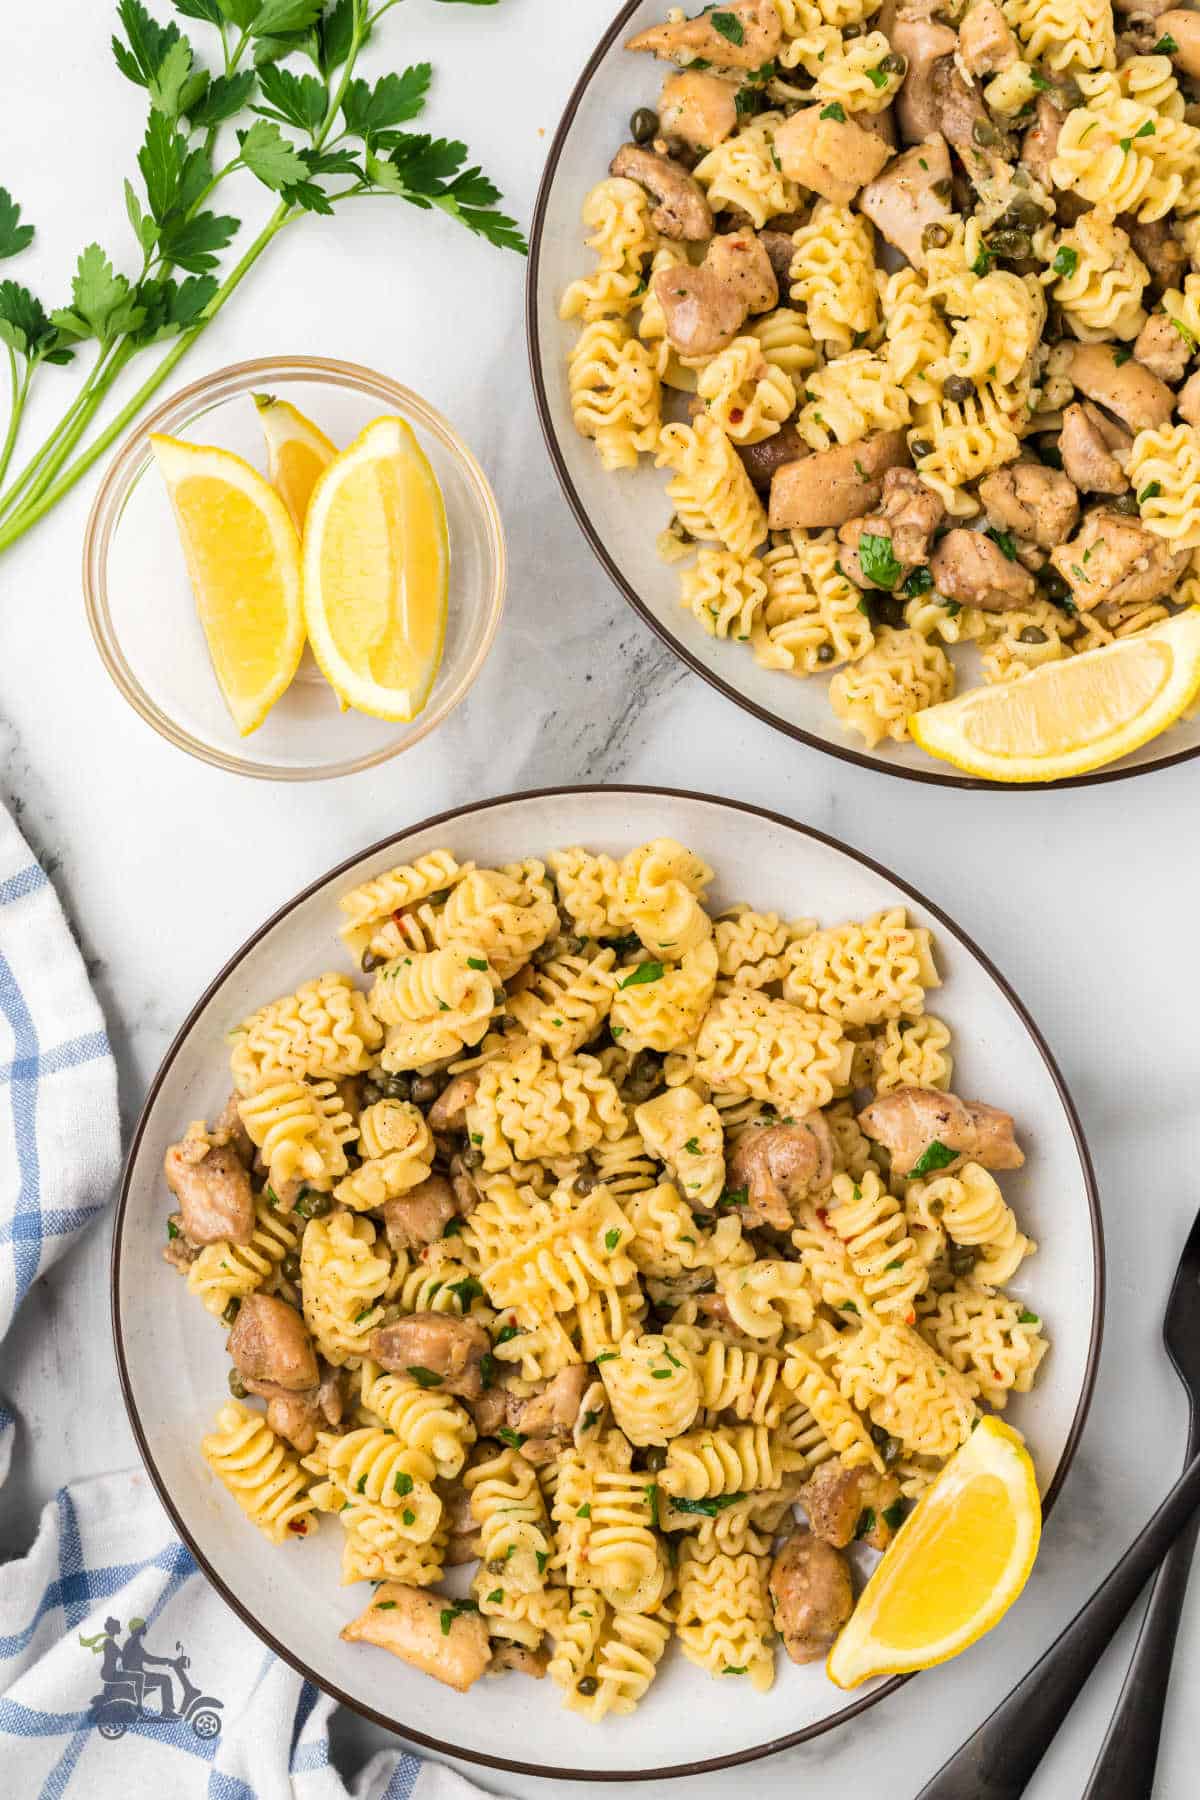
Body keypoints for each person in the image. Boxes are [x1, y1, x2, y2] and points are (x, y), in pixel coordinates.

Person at [117, 1618, 176, 1718]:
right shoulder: (134, 1644)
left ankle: (165, 1710)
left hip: (136, 1674)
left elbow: (146, 1659)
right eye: (143, 1627)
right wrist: (167, 1661)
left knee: (164, 1679)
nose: (145, 1629)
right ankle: (167, 1711)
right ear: (137, 1629)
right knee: (165, 1679)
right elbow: (149, 1659)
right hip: (136, 1676)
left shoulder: (132, 1642)